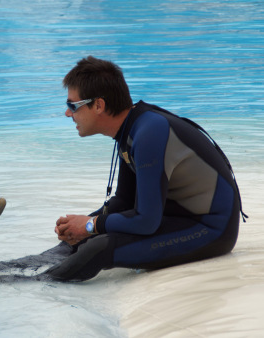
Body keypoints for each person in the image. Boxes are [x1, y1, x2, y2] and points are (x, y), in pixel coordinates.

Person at [45, 55, 247, 281]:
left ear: (99, 105)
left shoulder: (149, 134)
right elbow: (124, 201)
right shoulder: (131, 129)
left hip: (210, 230)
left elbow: (146, 221)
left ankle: (30, 286)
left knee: (99, 248)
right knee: (84, 238)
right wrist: (79, 227)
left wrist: (91, 225)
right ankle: (8, 270)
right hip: (176, 217)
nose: (67, 113)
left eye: (72, 105)